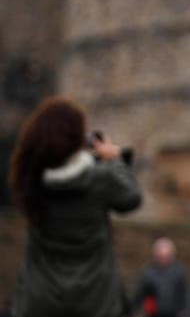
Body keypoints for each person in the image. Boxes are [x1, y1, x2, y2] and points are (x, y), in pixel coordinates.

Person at [7, 96, 142, 317]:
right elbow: (131, 198)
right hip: (95, 302)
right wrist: (114, 160)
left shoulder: (31, 181)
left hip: (40, 301)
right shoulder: (100, 180)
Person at [132, 237, 190, 317]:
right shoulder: (148, 273)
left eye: (166, 257)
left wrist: (186, 312)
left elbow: (186, 296)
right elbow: (139, 295)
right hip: (154, 314)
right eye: (160, 257)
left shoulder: (179, 272)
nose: (163, 260)